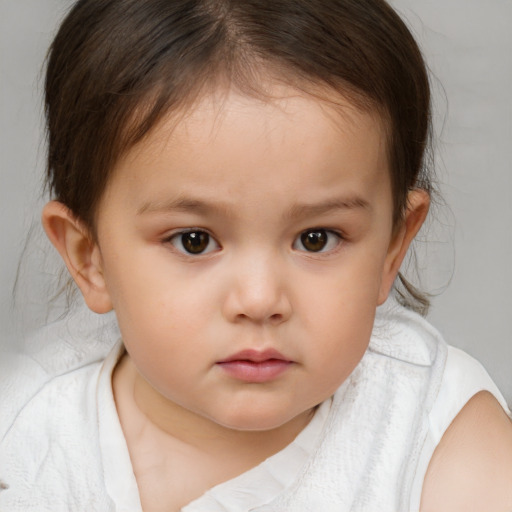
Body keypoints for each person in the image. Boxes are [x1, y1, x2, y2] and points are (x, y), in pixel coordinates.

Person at [1, 0, 511, 510]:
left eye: (317, 238)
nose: (260, 299)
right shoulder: (27, 447)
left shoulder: (438, 437)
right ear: (90, 257)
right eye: (194, 241)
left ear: (391, 248)